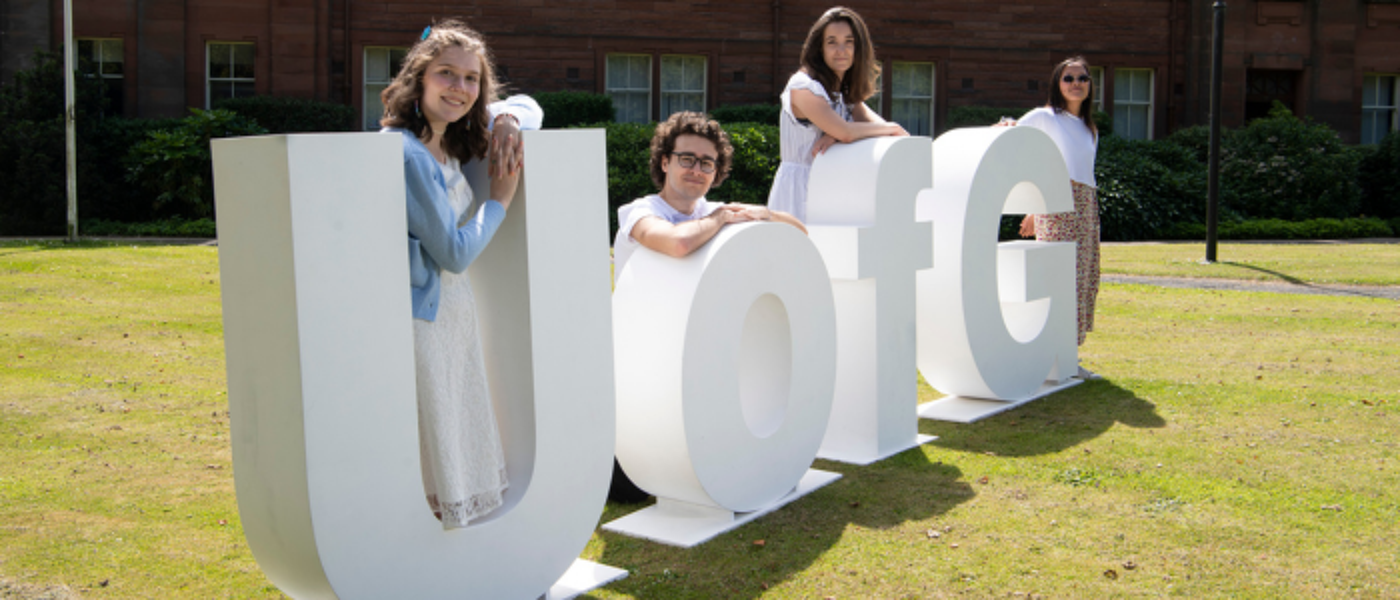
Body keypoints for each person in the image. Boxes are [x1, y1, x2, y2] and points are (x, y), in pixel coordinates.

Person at [380, 19, 542, 529]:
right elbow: (451, 253)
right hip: (425, 315)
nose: (460, 88)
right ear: (419, 80)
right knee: (436, 433)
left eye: (472, 79)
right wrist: (498, 203)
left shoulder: (442, 145)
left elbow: (532, 107)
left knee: (452, 421)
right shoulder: (406, 152)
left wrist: (508, 119)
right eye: (446, 74)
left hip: (452, 312)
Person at [608, 111, 804, 502]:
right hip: (642, 356)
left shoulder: (710, 212)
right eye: (687, 159)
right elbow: (676, 243)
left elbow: (800, 234)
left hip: (697, 347)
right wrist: (720, 219)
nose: (696, 170)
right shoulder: (640, 212)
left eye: (707, 163)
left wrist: (764, 213)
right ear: (665, 162)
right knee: (631, 489)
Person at [1003, 56, 1102, 379]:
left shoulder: (1089, 128)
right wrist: (1036, 204)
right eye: (1068, 78)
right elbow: (1014, 139)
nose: (1076, 84)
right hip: (1060, 204)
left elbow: (1076, 167)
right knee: (1060, 278)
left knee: (1083, 277)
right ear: (1057, 84)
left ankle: (1067, 355)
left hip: (1086, 204)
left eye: (1082, 78)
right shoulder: (1045, 117)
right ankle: (1049, 355)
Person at [766, 6, 908, 224]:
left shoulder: (844, 94)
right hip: (800, 190)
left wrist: (835, 136)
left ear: (858, 48)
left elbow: (891, 136)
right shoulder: (802, 86)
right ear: (819, 48)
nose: (841, 50)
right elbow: (851, 132)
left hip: (833, 188)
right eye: (832, 42)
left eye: (848, 41)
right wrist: (886, 127)